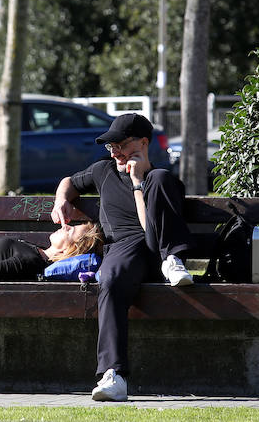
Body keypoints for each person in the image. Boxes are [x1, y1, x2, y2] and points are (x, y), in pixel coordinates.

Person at [50, 113, 194, 402]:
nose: (115, 151)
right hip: (124, 250)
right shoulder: (103, 171)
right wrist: (60, 199)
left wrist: (138, 181)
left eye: (122, 144)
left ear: (143, 142)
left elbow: (149, 231)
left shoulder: (161, 181)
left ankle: (172, 259)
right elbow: (69, 181)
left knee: (161, 177)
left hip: (155, 248)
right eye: (111, 146)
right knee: (112, 280)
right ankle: (113, 376)